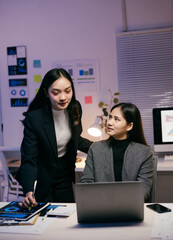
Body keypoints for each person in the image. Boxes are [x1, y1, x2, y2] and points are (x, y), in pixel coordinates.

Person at [17, 68, 92, 208]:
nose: (63, 97)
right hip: (42, 177)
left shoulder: (75, 108)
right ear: (46, 92)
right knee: (43, 217)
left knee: (66, 215)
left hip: (65, 174)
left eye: (68, 91)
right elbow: (29, 158)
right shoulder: (35, 118)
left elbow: (75, 139)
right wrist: (28, 191)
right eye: (56, 92)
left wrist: (101, 147)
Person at [80, 102, 153, 202]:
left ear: (129, 126)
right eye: (110, 117)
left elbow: (143, 191)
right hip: (100, 207)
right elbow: (86, 183)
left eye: (116, 119)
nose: (109, 122)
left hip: (130, 208)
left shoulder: (144, 153)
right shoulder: (96, 148)